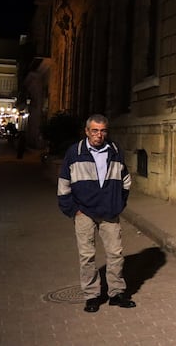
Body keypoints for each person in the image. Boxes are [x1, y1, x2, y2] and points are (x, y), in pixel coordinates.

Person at [57, 114, 136, 312]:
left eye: (102, 131)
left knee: (115, 254)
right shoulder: (75, 152)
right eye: (94, 130)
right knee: (87, 256)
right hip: (84, 213)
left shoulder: (115, 151)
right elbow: (63, 185)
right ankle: (92, 296)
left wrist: (118, 203)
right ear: (87, 131)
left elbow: (126, 181)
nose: (99, 135)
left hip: (110, 212)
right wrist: (73, 210)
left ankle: (116, 293)